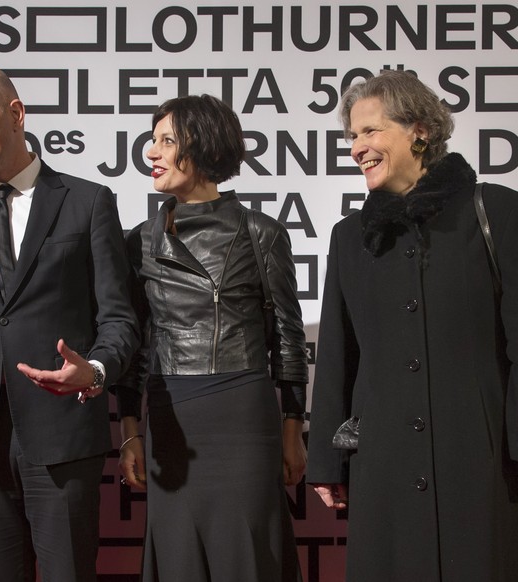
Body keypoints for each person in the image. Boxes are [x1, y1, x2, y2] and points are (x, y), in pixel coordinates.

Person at [306, 70, 518, 581]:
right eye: (351, 136)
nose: (356, 147)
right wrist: (326, 461)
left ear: (420, 131)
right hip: (383, 463)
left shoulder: (496, 209)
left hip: (481, 457)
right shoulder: (349, 237)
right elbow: (340, 355)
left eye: (370, 131)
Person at [0, 64, 138, 582]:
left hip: (63, 440)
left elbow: (120, 320)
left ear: (15, 113)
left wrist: (97, 372)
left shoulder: (87, 203)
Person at [115, 94, 307, 582]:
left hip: (241, 415)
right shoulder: (139, 240)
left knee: (248, 555)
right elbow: (135, 343)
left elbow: (287, 336)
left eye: (166, 140)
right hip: (170, 414)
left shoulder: (260, 232)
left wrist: (292, 429)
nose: (151, 153)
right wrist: (129, 432)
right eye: (151, 140)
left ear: (202, 145)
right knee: (178, 556)